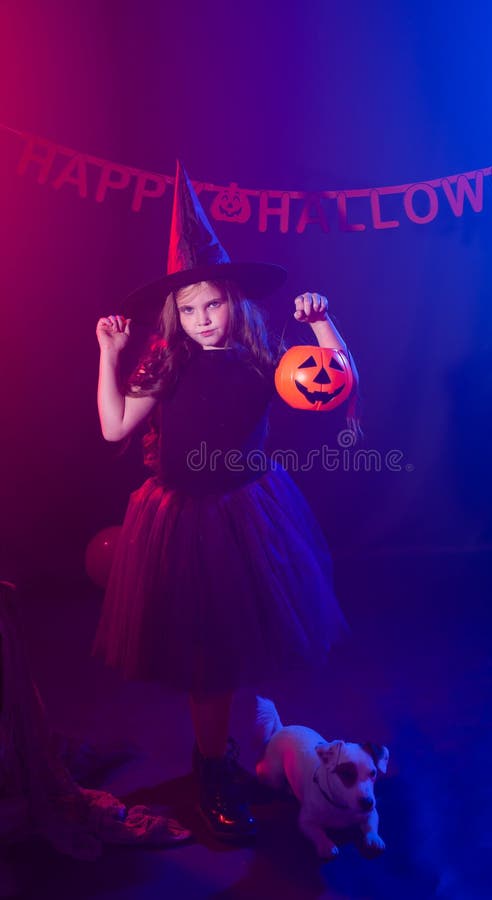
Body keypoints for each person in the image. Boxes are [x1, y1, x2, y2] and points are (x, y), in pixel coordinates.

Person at [92, 162, 355, 842]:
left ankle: (225, 757)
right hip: (182, 520)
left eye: (213, 304)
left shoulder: (261, 357)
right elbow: (115, 426)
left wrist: (323, 325)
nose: (203, 319)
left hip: (249, 514)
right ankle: (210, 770)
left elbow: (335, 385)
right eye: (189, 309)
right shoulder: (165, 363)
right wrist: (108, 354)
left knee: (235, 656)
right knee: (205, 662)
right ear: (173, 316)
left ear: (232, 301)